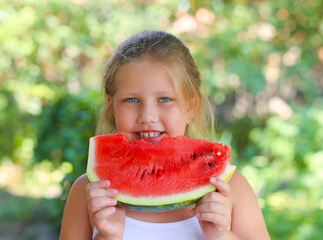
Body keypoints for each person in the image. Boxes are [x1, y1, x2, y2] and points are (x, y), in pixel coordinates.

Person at [59, 30, 270, 240]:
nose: (148, 116)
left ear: (191, 106)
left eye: (165, 99)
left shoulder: (232, 189)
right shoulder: (86, 192)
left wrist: (221, 235)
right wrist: (108, 236)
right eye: (132, 100)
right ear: (111, 106)